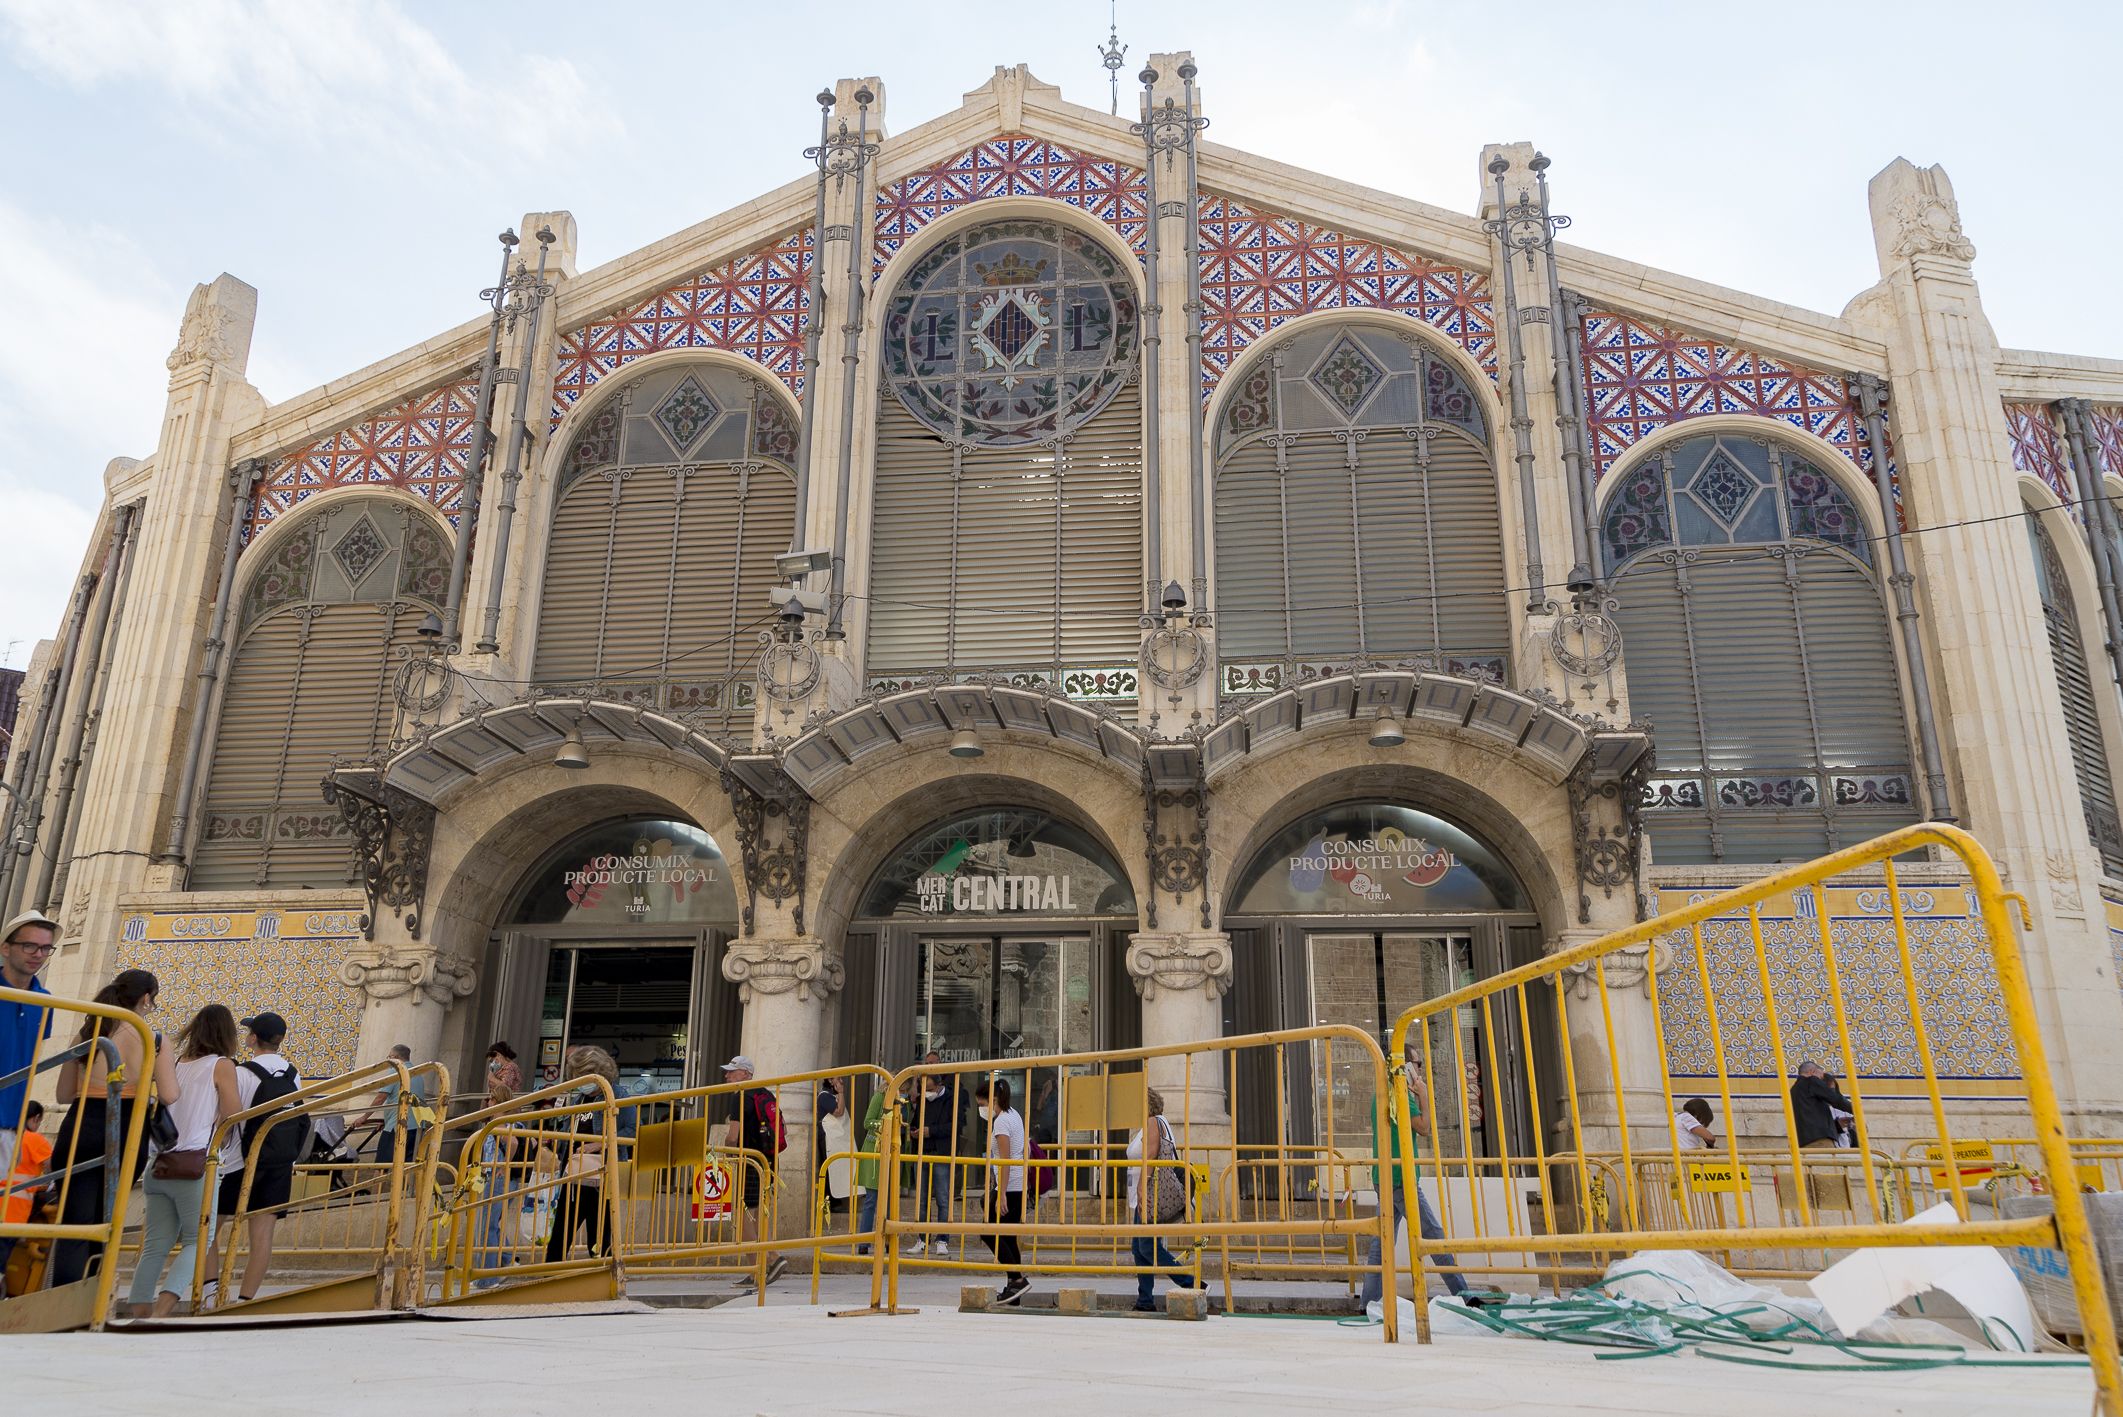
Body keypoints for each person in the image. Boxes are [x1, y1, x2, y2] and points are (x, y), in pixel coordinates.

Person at [50, 968, 176, 1287]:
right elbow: (171, 1095)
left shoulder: (87, 1032)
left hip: (79, 1125)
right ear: (146, 998)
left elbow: (63, 1094)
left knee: (73, 1224)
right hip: (124, 1131)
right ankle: (91, 1296)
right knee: (107, 1220)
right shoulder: (152, 1038)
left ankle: (61, 1301)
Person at [128, 1003, 242, 1316]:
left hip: (160, 1164)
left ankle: (138, 1310)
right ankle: (162, 1311)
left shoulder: (177, 1063)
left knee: (155, 1245)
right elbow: (234, 1113)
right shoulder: (222, 1065)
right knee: (198, 1241)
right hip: (195, 1166)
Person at [202, 1011, 301, 1306]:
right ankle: (246, 1300)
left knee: (209, 1228)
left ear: (253, 1038)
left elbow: (227, 1118)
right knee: (262, 1236)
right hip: (278, 1164)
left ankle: (210, 1295)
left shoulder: (241, 1072)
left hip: (237, 1162)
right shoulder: (293, 1074)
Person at [1362, 1049, 1470, 1311]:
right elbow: (1424, 1127)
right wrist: (1423, 1094)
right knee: (1433, 1235)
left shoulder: (1381, 1094)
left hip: (1385, 1175)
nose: (1420, 1069)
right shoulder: (1401, 1095)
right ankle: (1466, 1295)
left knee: (1382, 1240)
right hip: (1401, 1177)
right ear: (1406, 1067)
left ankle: (1368, 1302)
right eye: (1417, 1064)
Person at [714, 1055, 789, 1287]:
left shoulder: (741, 1096)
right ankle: (761, 1267)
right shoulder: (765, 1094)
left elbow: (733, 1135)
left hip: (750, 1160)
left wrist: (722, 1153)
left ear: (745, 1074)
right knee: (758, 1213)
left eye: (732, 1071)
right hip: (767, 1160)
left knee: (745, 1214)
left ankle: (769, 1259)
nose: (727, 1075)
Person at [545, 1046, 619, 1267]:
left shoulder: (617, 1094)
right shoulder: (579, 1100)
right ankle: (550, 1271)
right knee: (562, 1230)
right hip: (575, 1173)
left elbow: (631, 1131)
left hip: (600, 1174)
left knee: (599, 1233)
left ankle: (605, 1272)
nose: (578, 1081)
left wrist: (598, 1144)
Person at [1126, 1087, 1199, 1312]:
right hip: (1146, 1195)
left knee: (1147, 1247)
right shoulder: (1151, 1124)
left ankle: (1192, 1283)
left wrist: (1141, 1190)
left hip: (1150, 1195)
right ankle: (1145, 1300)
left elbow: (1151, 1155)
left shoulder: (1153, 1122)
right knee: (1140, 1248)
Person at [1, 910, 58, 1186]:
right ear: (5, 948)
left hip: (11, 1124)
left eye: (45, 947)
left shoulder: (44, 1001)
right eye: (29, 945)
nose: (38, 953)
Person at [972, 1075, 1028, 1307]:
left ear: (992, 1100)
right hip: (1016, 1183)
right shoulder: (1014, 1114)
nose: (981, 1110)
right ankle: (1014, 1287)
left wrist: (1001, 1193)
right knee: (1006, 1236)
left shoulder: (1002, 1121)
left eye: (982, 1105)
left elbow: (1005, 1159)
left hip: (1010, 1185)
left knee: (989, 1232)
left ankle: (1017, 1278)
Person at [905, 1056, 956, 1258]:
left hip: (941, 1153)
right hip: (922, 1153)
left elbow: (954, 1126)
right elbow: (916, 1121)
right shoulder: (923, 1099)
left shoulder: (951, 1099)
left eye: (930, 1088)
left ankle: (942, 1240)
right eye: (924, 1087)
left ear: (939, 1085)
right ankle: (922, 1239)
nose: (927, 1092)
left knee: (943, 1199)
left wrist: (930, 1131)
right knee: (922, 1199)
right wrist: (915, 1131)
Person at [357, 1043, 435, 1168]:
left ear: (395, 1057)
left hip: (398, 1127)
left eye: (389, 1057)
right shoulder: (417, 1074)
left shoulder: (396, 1071)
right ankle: (407, 1188)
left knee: (381, 1166)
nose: (388, 1061)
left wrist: (364, 1118)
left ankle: (378, 1188)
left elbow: (380, 1098)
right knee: (408, 1167)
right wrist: (386, 1121)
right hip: (417, 1128)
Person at [472, 1080, 516, 1286]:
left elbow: (513, 1143)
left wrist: (504, 1165)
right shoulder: (499, 1122)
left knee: (487, 1226)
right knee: (492, 1223)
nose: (488, 1102)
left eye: (490, 1098)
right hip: (491, 1177)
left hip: (496, 1178)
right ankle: (506, 1258)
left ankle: (488, 1278)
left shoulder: (501, 1123)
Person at [0, 1099, 51, 1277]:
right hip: (12, 1213)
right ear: (35, 1118)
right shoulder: (34, 1139)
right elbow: (53, 1166)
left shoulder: (5, 1136)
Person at [1789, 1062, 1854, 1149]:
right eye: (1821, 1075)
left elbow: (1811, 1119)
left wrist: (1838, 1125)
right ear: (1812, 1071)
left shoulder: (1794, 1090)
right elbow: (1835, 1098)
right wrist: (1855, 1109)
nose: (1822, 1079)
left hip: (1801, 1143)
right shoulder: (1811, 1081)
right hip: (1819, 1142)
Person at [816, 1073, 853, 1217]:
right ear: (830, 1080)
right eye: (839, 1078)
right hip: (826, 1138)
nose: (842, 1081)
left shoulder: (830, 1095)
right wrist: (842, 1093)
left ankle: (834, 1201)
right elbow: (839, 1111)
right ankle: (830, 1202)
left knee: (834, 1167)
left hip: (831, 1137)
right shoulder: (825, 1096)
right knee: (829, 1169)